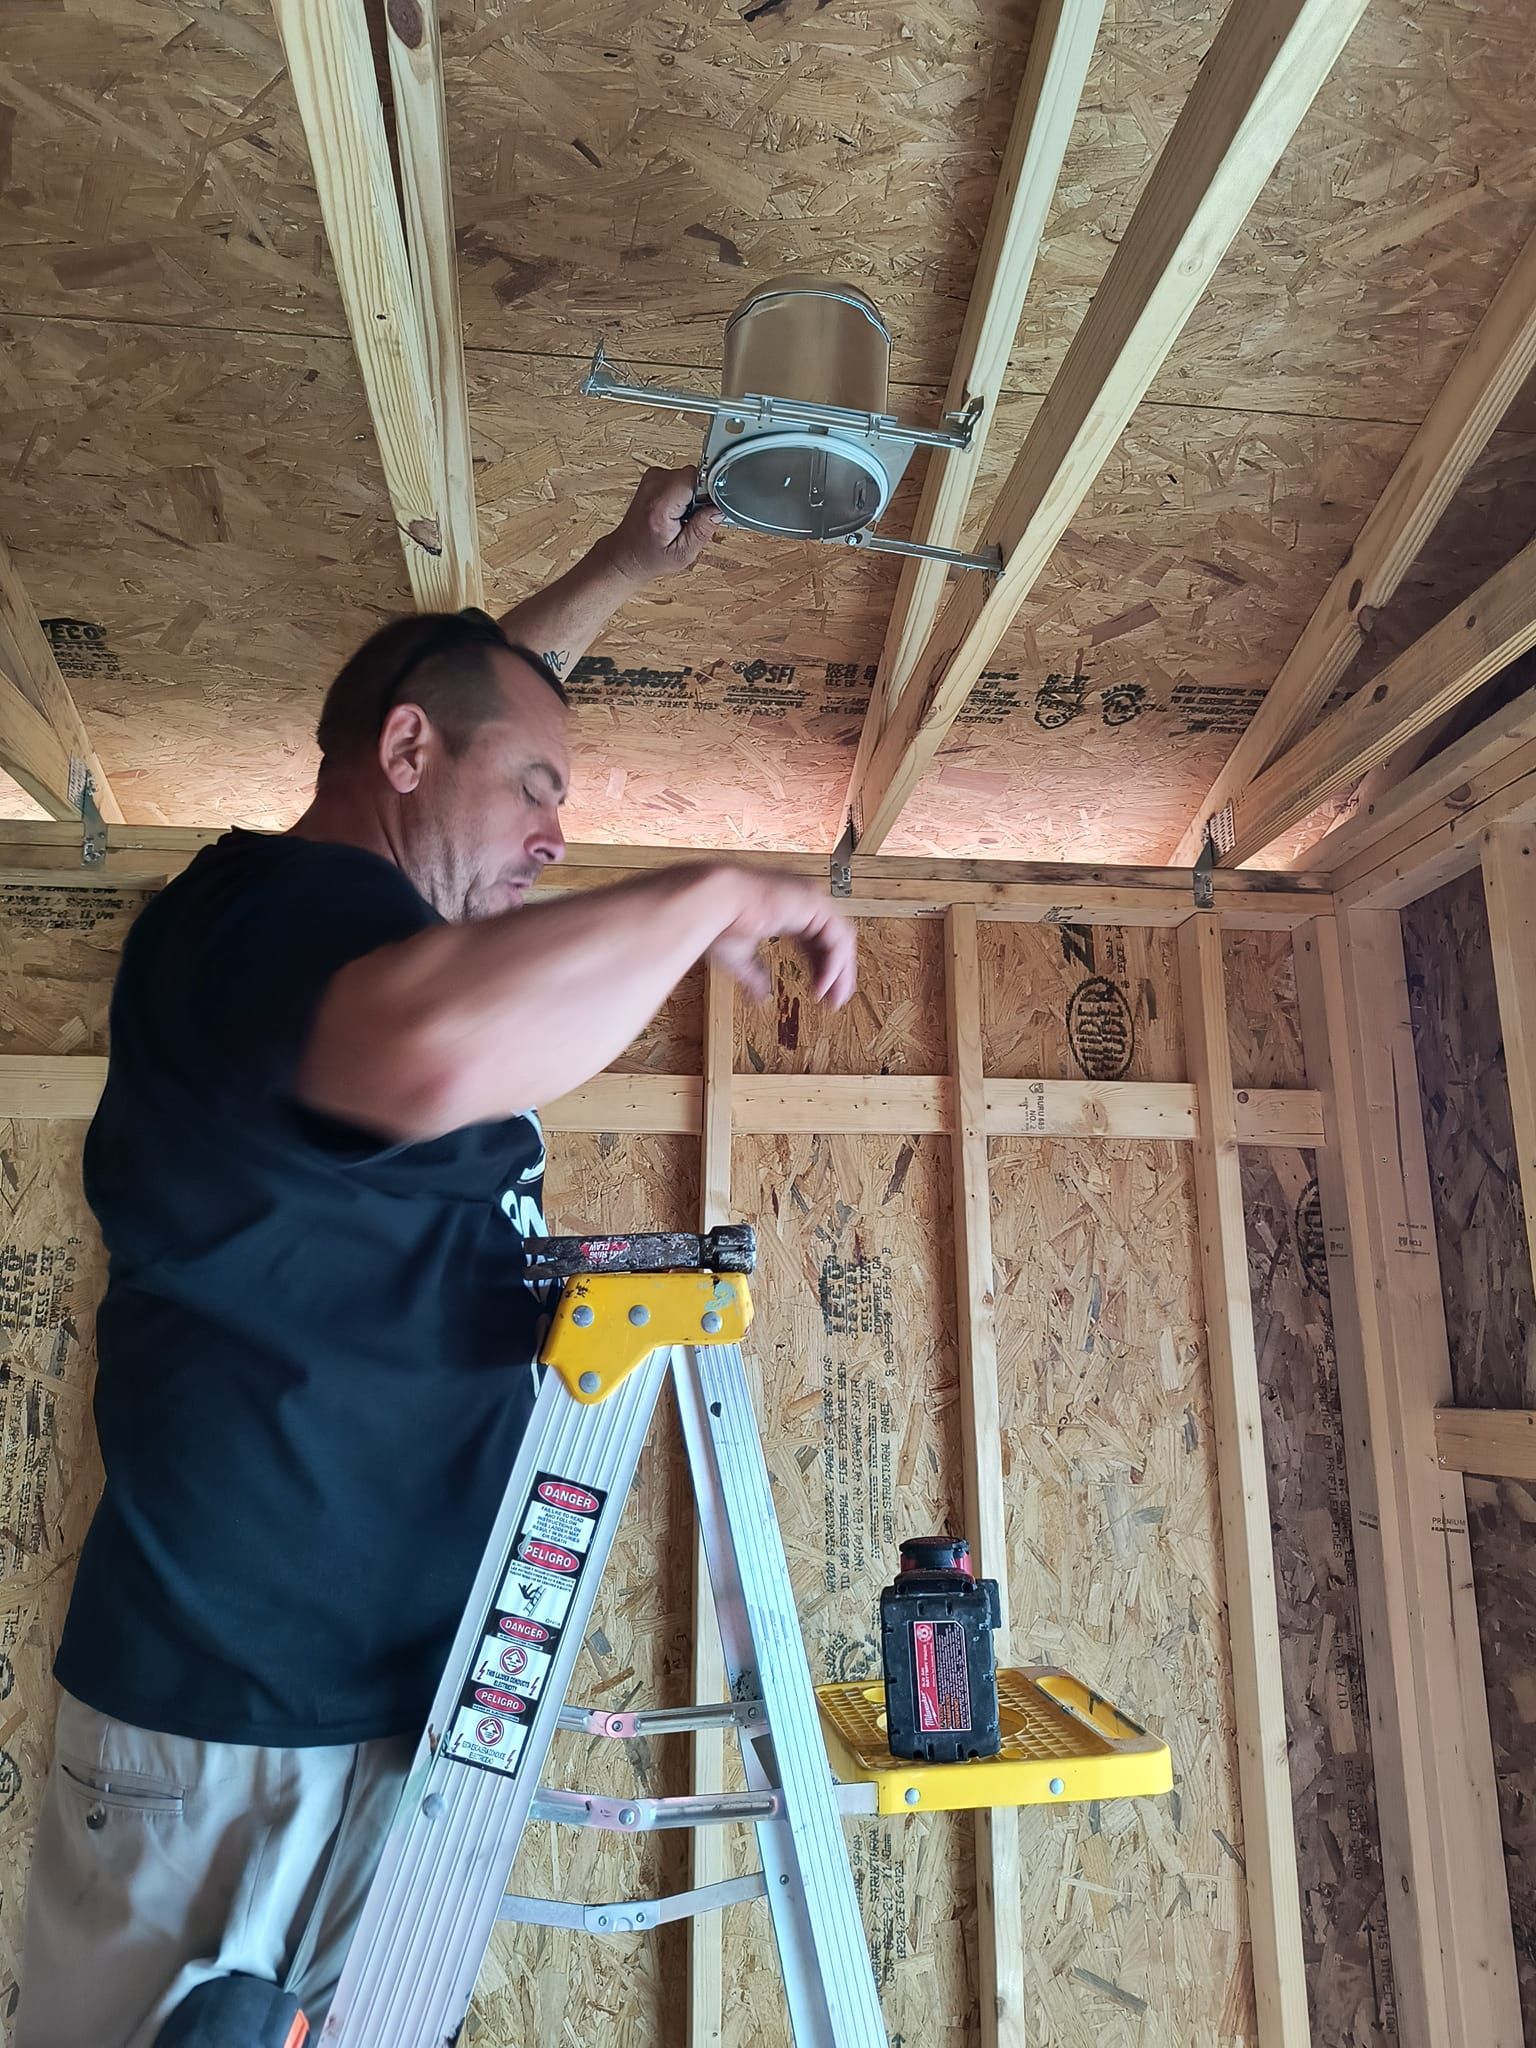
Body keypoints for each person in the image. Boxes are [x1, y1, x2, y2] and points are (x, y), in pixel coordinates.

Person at [16, 467, 857, 2048]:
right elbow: (415, 1044)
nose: (560, 835)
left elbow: (450, 704)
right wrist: (706, 893)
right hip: (238, 1735)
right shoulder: (270, 916)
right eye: (541, 794)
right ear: (404, 758)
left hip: (370, 1718)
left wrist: (614, 573)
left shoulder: (345, 904)